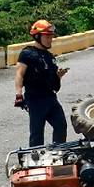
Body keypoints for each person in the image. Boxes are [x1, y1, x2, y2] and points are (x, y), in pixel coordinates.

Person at [14, 19, 69, 147]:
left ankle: (58, 153)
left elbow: (54, 85)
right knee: (37, 134)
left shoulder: (50, 57)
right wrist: (18, 94)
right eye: (47, 36)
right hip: (35, 100)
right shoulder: (27, 54)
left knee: (61, 125)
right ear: (38, 36)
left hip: (50, 98)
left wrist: (58, 76)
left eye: (51, 36)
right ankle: (35, 162)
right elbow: (19, 74)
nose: (51, 39)